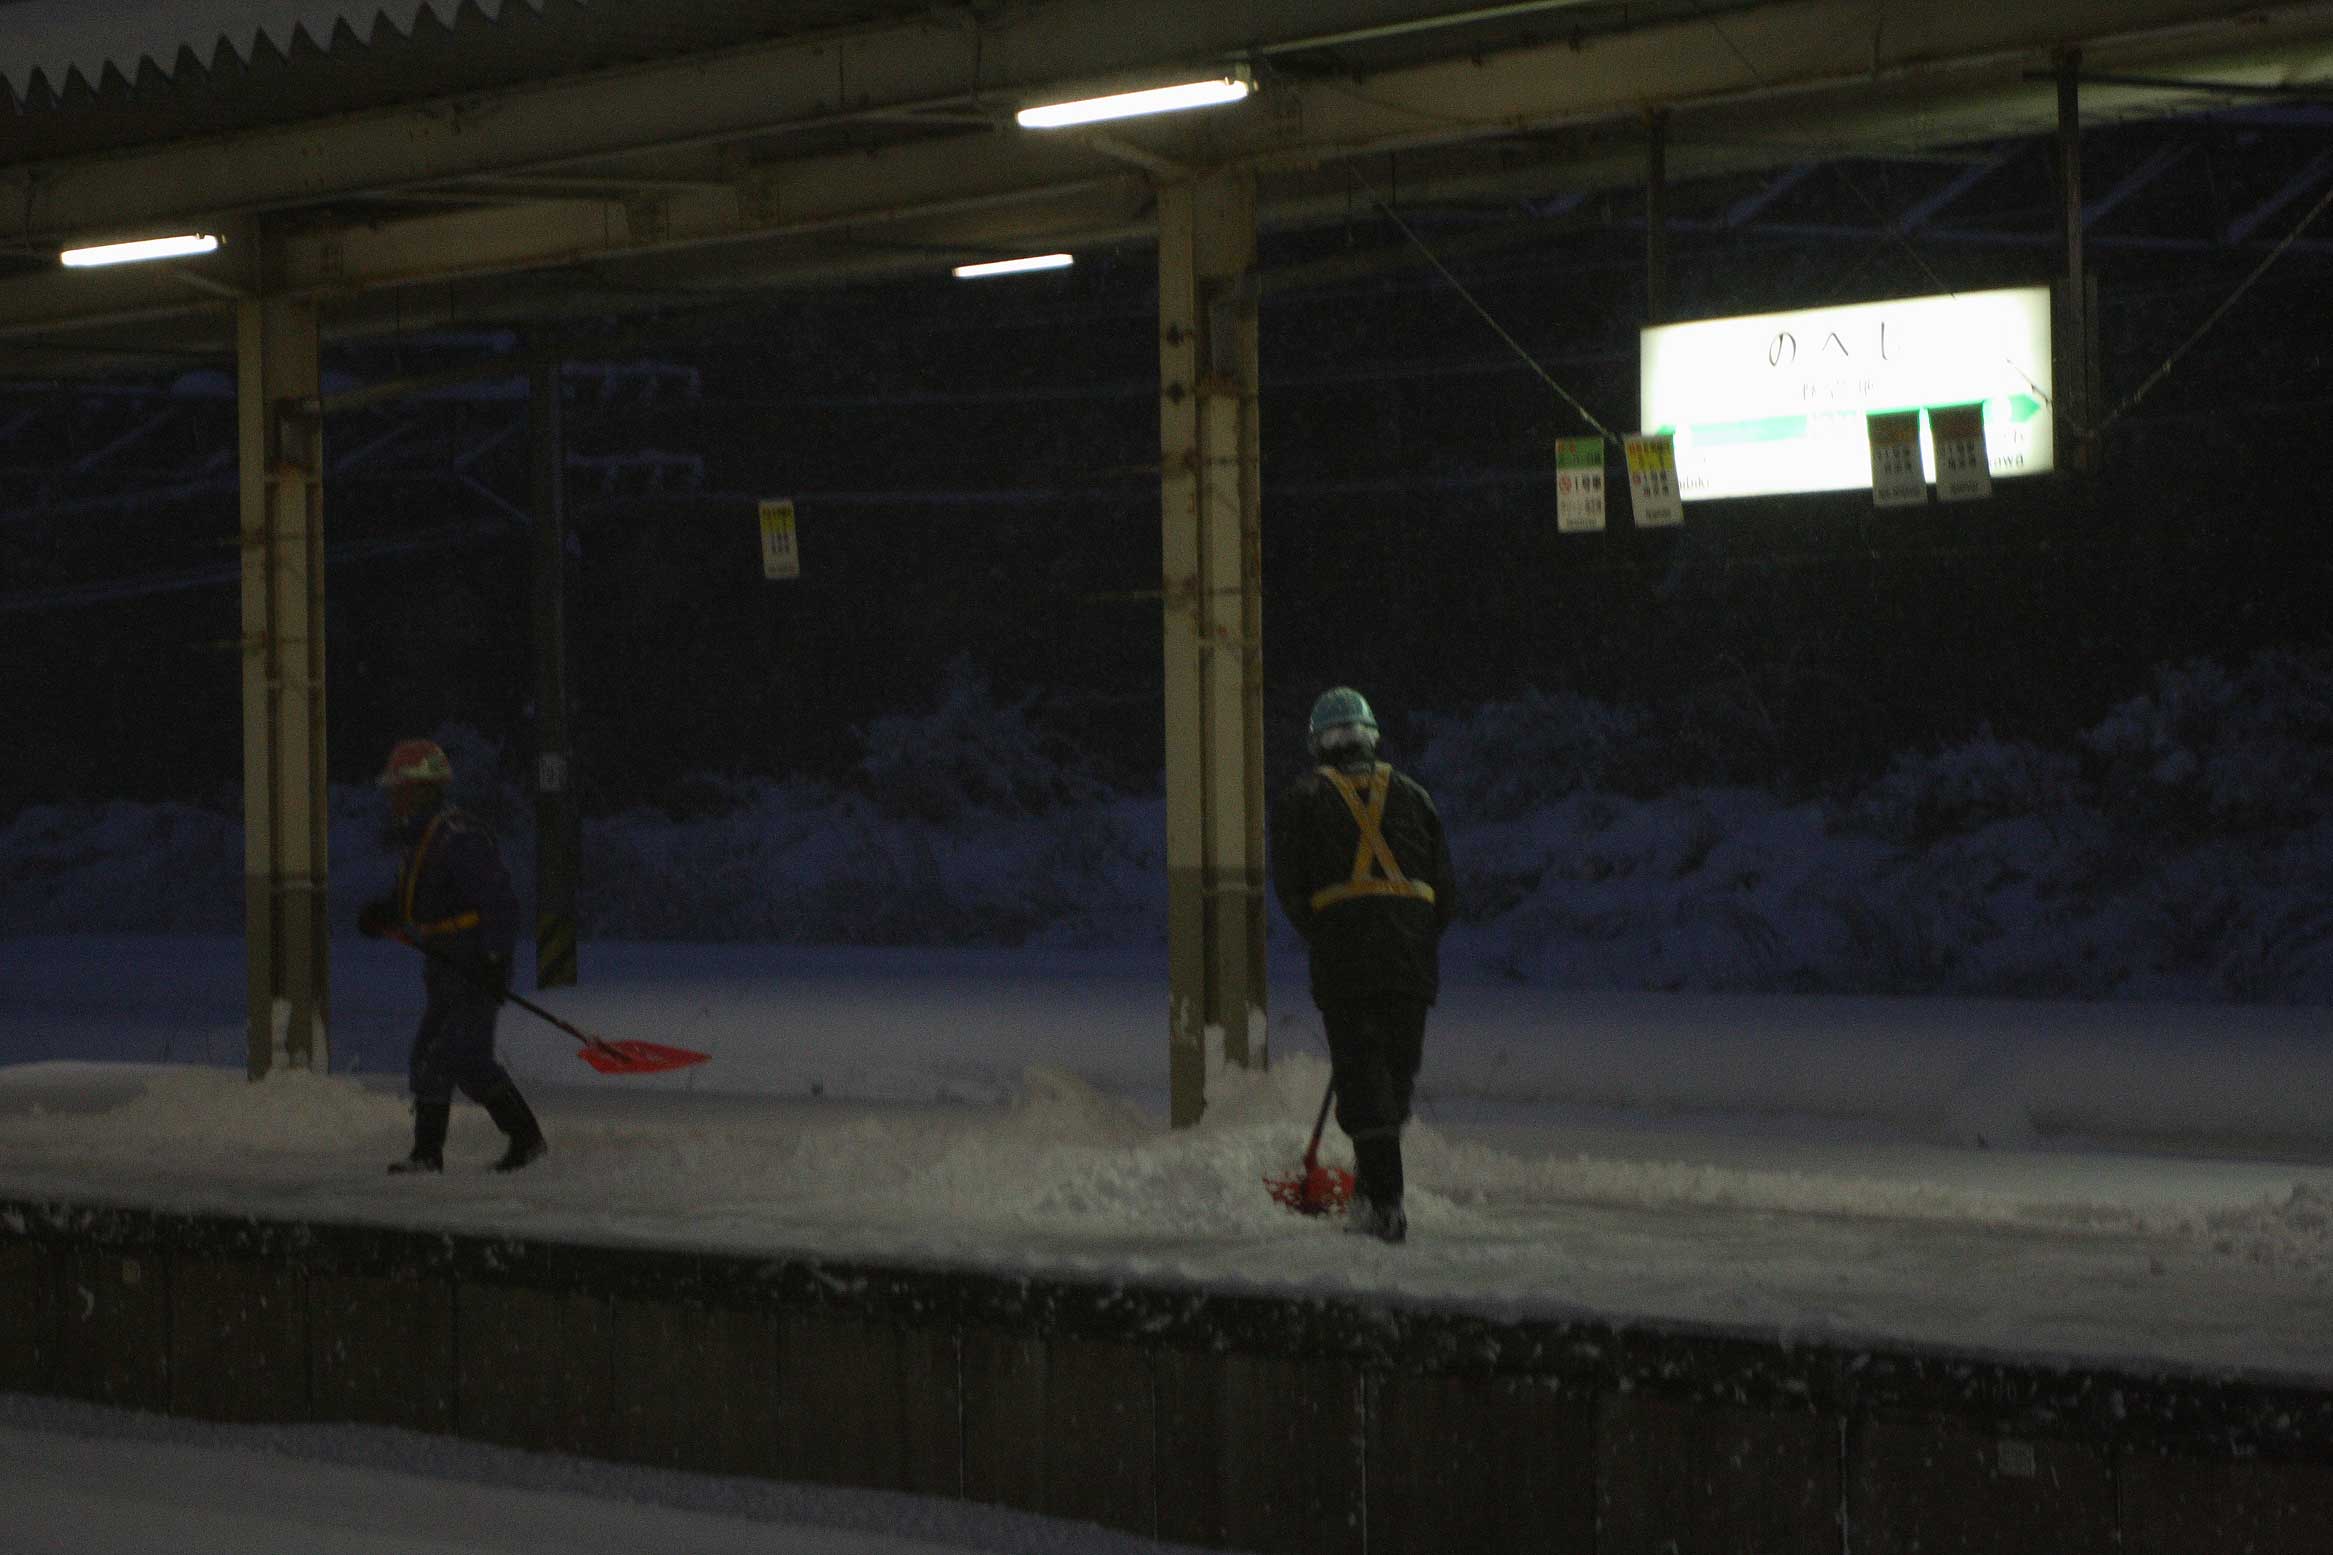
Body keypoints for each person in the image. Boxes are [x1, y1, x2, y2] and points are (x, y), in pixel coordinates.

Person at [1270, 687, 1456, 1244]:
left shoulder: (1303, 798)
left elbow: (1292, 890)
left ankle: (1381, 1207)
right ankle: (1375, 1194)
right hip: (1410, 959)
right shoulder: (1416, 796)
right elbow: (1445, 893)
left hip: (1347, 958)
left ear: (1319, 743)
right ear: (1370, 737)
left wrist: (1332, 934)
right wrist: (1410, 936)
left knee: (1363, 1078)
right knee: (1392, 1079)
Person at [358, 737, 548, 1174]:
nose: (392, 796)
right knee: (431, 1053)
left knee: (461, 1055)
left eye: (398, 788)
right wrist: (385, 913)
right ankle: (429, 1152)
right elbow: (420, 898)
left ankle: (525, 1140)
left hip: (473, 963)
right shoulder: (424, 838)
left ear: (420, 788)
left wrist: (494, 960)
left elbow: (500, 904)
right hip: (445, 963)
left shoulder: (457, 838)